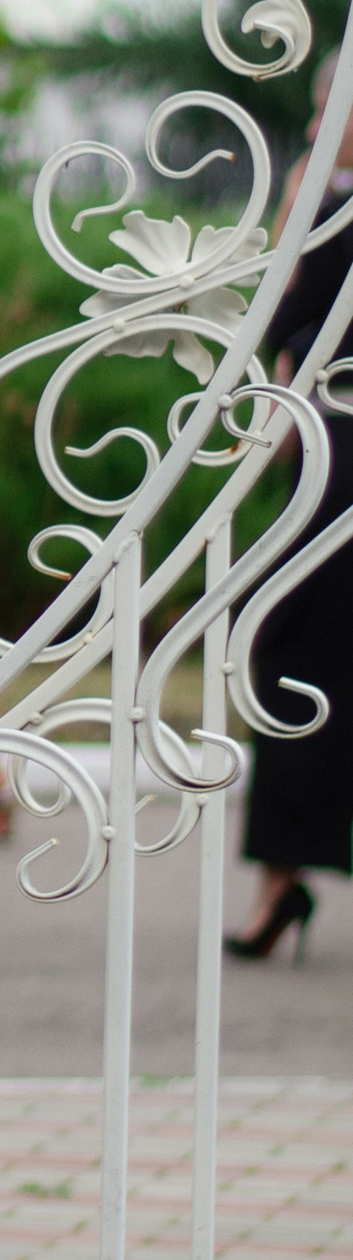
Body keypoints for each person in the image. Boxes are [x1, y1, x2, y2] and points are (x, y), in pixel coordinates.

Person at [229, 127, 353, 962]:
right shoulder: (330, 203)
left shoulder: (331, 207)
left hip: (334, 460)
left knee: (299, 654)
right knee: (291, 657)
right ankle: (279, 880)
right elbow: (282, 322)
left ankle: (281, 883)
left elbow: (281, 313)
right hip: (328, 458)